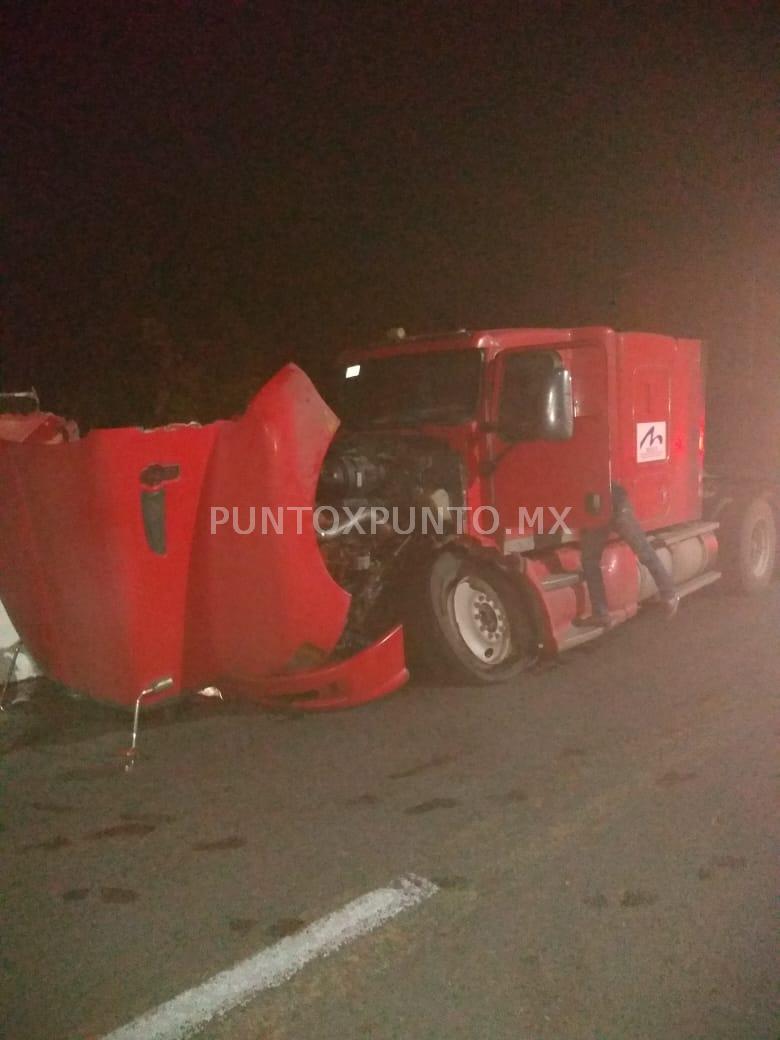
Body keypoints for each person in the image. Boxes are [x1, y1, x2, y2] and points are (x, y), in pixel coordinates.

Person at [575, 484, 680, 628]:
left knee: (590, 560)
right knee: (644, 551)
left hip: (600, 505)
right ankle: (669, 594)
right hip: (612, 503)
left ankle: (601, 613)